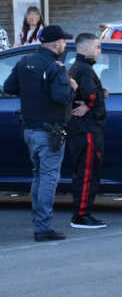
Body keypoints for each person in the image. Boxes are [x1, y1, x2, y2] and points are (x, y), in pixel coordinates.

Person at [2, 25, 76, 241]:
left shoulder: (25, 61)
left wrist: (32, 90)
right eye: (63, 41)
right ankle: (43, 227)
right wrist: (72, 86)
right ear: (56, 43)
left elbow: (9, 86)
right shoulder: (55, 66)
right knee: (48, 178)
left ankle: (39, 222)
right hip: (49, 131)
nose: (65, 44)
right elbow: (61, 96)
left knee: (38, 175)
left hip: (30, 130)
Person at [66, 33, 109, 230]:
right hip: (88, 130)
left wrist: (99, 94)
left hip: (84, 129)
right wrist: (93, 102)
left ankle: (83, 212)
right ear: (85, 48)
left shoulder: (79, 67)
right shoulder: (84, 69)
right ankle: (81, 215)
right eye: (97, 46)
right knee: (87, 173)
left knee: (85, 172)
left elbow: (88, 93)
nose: (99, 50)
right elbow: (90, 95)